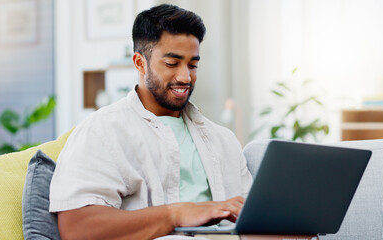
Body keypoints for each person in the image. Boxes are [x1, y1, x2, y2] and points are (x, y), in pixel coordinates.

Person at [49, 4, 252, 240]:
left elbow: (253, 221)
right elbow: (77, 229)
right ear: (139, 63)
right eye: (172, 63)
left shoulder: (223, 140)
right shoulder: (102, 131)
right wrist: (175, 215)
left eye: (193, 65)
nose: (185, 77)